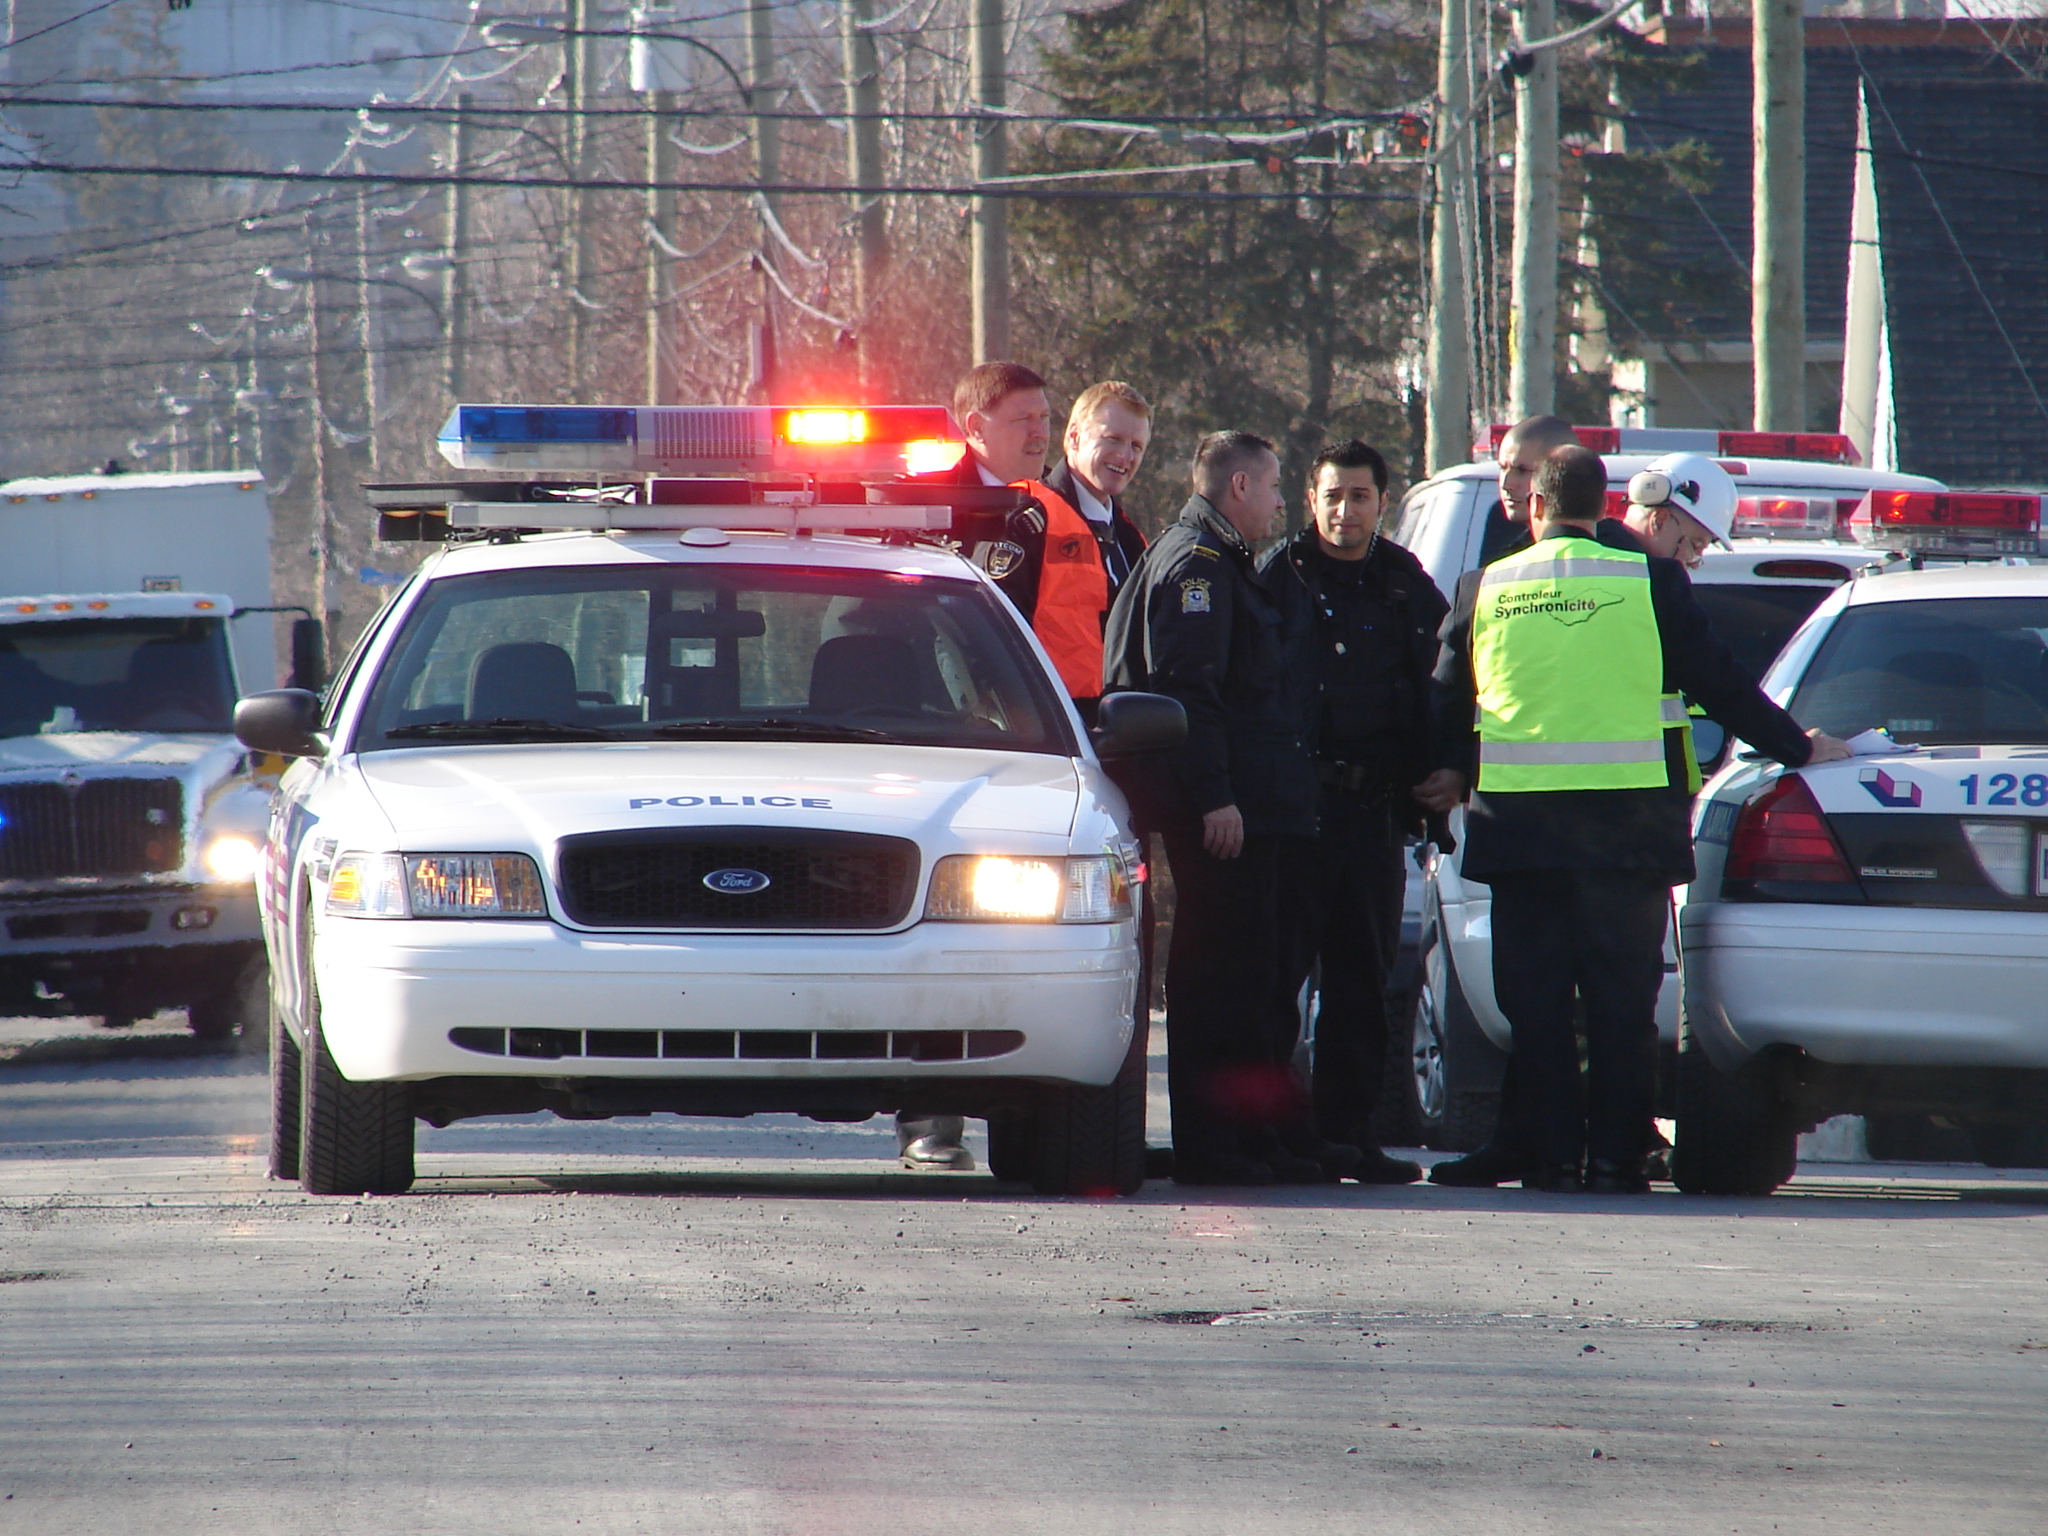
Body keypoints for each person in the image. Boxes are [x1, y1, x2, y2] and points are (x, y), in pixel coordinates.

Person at [1416, 445, 1849, 1193]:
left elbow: (1447, 698)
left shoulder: (1483, 587)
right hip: (1628, 839)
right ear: (1602, 506)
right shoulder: (1650, 580)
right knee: (1621, 1007)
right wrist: (1798, 747)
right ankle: (1617, 1160)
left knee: (1537, 1009)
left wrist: (1448, 771)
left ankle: (1551, 1160)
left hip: (1520, 837)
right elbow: (1721, 683)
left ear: (1537, 506)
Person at [1103, 432, 1329, 1186]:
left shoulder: (1218, 559)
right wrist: (1216, 797)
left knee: (1249, 977)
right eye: (1273, 487)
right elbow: (1188, 694)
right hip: (1223, 812)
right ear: (1239, 486)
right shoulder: (1196, 565)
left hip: (1247, 804)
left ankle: (1251, 1138)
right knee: (1220, 982)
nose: (1279, 503)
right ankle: (1214, 1146)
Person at [1264, 441, 1446, 1184]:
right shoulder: (1277, 577)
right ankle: (1279, 1139)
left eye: (1360, 496)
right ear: (1311, 499)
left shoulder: (1405, 582)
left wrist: (1449, 767)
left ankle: (1351, 1136)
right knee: (1278, 982)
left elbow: (1447, 681)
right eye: (1333, 496)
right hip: (1293, 814)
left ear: (1382, 502)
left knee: (1361, 982)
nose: (1345, 511)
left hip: (1372, 813)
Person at [1477, 414, 1581, 566]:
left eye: (1523, 470)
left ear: (1562, 472)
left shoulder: (1608, 550)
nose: (1506, 484)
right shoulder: (1510, 554)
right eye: (1503, 468)